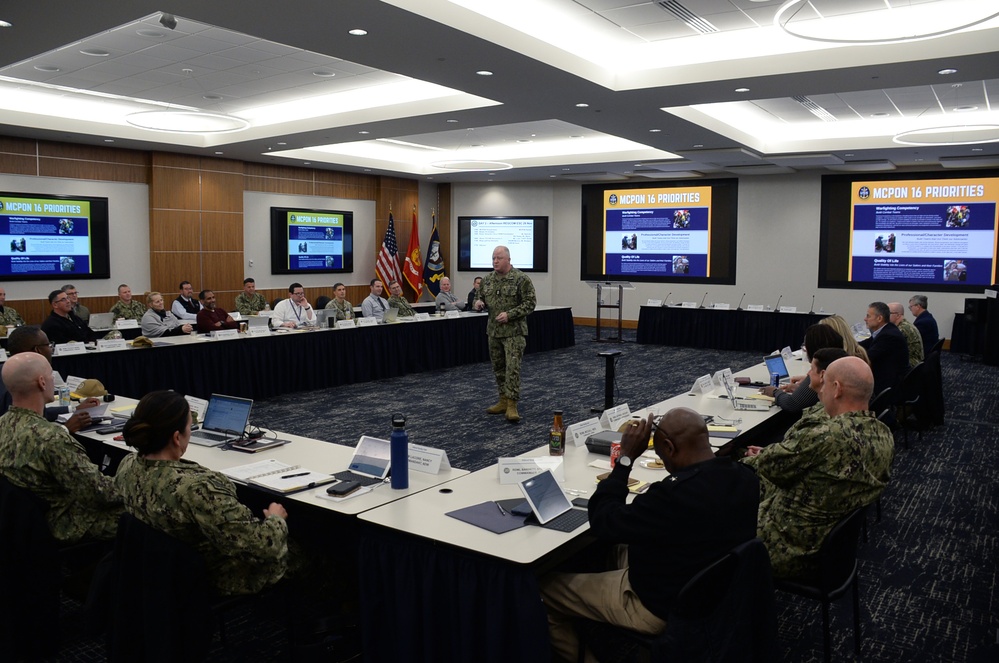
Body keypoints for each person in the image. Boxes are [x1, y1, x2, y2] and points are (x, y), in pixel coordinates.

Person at [540, 408, 760, 662]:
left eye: (660, 454)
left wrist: (625, 459)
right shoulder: (745, 478)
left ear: (669, 446)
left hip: (657, 606)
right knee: (607, 551)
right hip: (713, 591)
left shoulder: (672, 497)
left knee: (543, 590)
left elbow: (604, 520)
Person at [114, 390, 289, 595]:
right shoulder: (198, 488)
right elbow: (263, 546)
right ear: (177, 437)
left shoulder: (127, 465)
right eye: (190, 427)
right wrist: (276, 519)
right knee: (310, 548)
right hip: (208, 575)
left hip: (159, 571)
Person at [741, 356, 893, 580]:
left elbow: (767, 468)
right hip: (834, 548)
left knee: (716, 510)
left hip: (788, 546)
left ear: (837, 389)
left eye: (824, 385)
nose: (819, 391)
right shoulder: (884, 434)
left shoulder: (825, 436)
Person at [0, 352, 123, 543]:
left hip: (22, 523)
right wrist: (133, 477)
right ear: (42, 382)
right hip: (62, 521)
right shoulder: (51, 439)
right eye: (51, 375)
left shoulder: (3, 424)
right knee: (140, 515)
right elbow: (100, 494)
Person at [474, 246, 536, 422]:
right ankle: (502, 400)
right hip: (493, 332)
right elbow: (478, 298)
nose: (495, 261)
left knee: (512, 369)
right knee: (499, 369)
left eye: (499, 258)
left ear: (508, 259)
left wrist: (510, 315)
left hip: (514, 333)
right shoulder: (487, 280)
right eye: (493, 258)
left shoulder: (521, 279)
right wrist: (478, 303)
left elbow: (530, 304)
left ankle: (512, 404)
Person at [0, 326, 99, 432]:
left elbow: (36, 414)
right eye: (48, 345)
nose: (51, 349)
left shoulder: (7, 371)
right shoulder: (20, 383)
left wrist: (74, 409)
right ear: (38, 350)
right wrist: (65, 429)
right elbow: (19, 432)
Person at [759, 324, 844, 414]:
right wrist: (802, 388)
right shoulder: (842, 364)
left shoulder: (822, 368)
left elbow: (791, 403)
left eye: (805, 346)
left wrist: (774, 392)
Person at [859, 301, 910, 397]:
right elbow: (866, 344)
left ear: (879, 318)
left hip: (891, 385)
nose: (865, 319)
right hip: (889, 377)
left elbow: (868, 357)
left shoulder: (888, 336)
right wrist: (850, 345)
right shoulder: (886, 330)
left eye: (868, 316)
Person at [889, 302, 924, 368]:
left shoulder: (902, 329)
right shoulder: (905, 325)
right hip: (915, 362)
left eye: (888, 313)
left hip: (911, 364)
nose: (885, 316)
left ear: (898, 315)